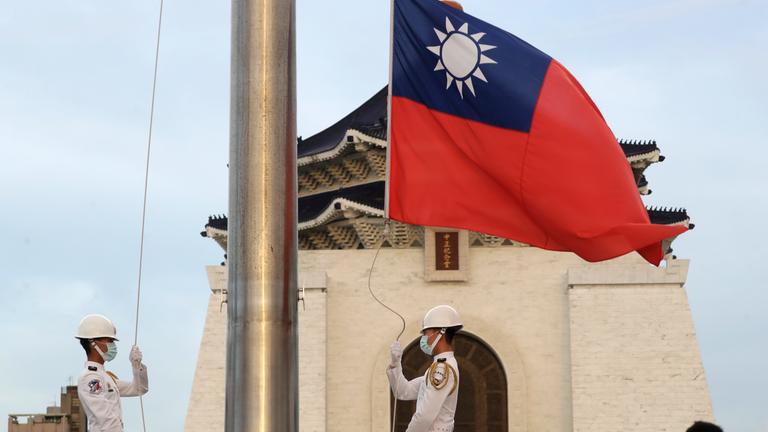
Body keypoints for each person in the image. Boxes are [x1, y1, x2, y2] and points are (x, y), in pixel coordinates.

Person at [387, 305, 462, 432]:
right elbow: (403, 391)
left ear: (440, 333)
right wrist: (395, 363)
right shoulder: (437, 367)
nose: (423, 338)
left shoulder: (444, 369)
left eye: (426, 333)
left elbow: (425, 416)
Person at [75, 314, 148, 432]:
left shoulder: (104, 377)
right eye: (109, 341)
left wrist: (136, 365)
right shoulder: (90, 378)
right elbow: (106, 421)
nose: (113, 345)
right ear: (93, 343)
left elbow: (139, 388)